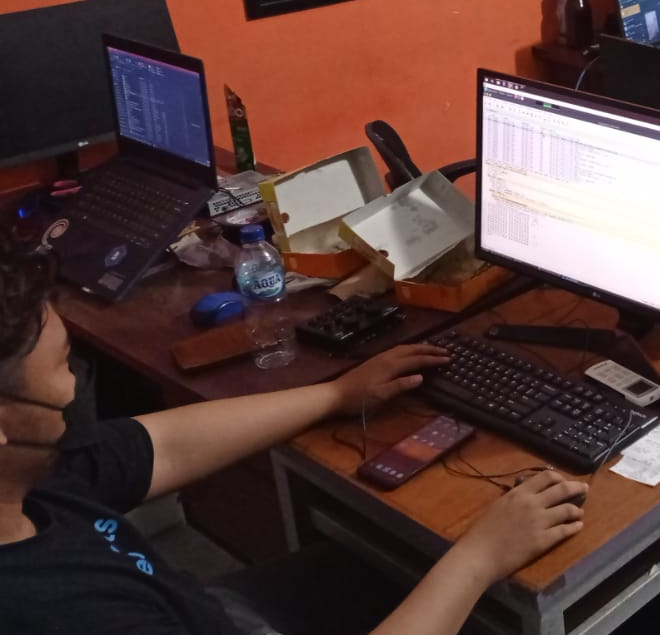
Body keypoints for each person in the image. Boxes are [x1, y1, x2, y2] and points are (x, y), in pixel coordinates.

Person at [0, 233, 586, 635]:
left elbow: (161, 447)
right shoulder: (60, 613)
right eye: (63, 367)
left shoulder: (26, 485)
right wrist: (481, 557)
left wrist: (335, 394)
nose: (79, 384)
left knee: (375, 563)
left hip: (196, 610)